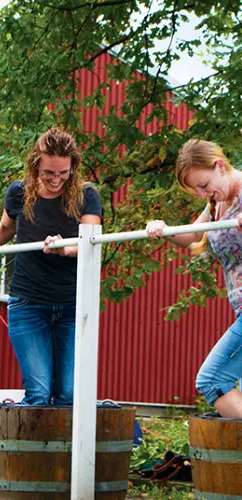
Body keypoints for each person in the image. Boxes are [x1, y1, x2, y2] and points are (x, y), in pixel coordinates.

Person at [0, 128, 102, 405]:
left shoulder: (87, 195)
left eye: (63, 173)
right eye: (49, 173)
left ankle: (68, 448)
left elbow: (91, 242)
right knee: (39, 393)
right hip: (28, 302)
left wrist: (64, 248)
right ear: (35, 164)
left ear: (73, 167)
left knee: (69, 394)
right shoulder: (18, 192)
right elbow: (3, 229)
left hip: (72, 303)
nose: (57, 179)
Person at [146, 139, 242, 418]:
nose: (203, 193)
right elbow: (192, 236)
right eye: (197, 189)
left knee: (212, 379)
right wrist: (163, 228)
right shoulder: (217, 205)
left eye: (204, 184)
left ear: (220, 165)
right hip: (238, 309)